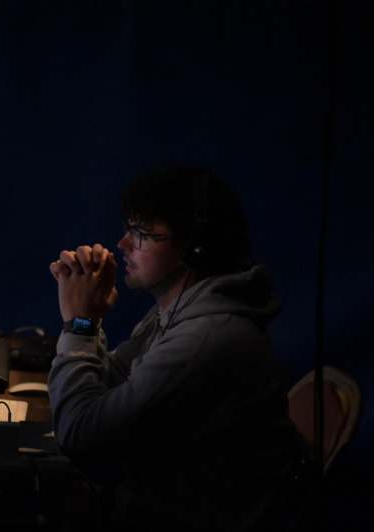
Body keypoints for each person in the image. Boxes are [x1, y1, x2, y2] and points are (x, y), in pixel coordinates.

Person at [47, 167, 309, 531]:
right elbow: (111, 384)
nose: (123, 244)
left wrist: (79, 323)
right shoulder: (181, 309)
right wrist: (87, 321)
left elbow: (81, 436)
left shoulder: (205, 338)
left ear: (194, 246)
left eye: (141, 234)